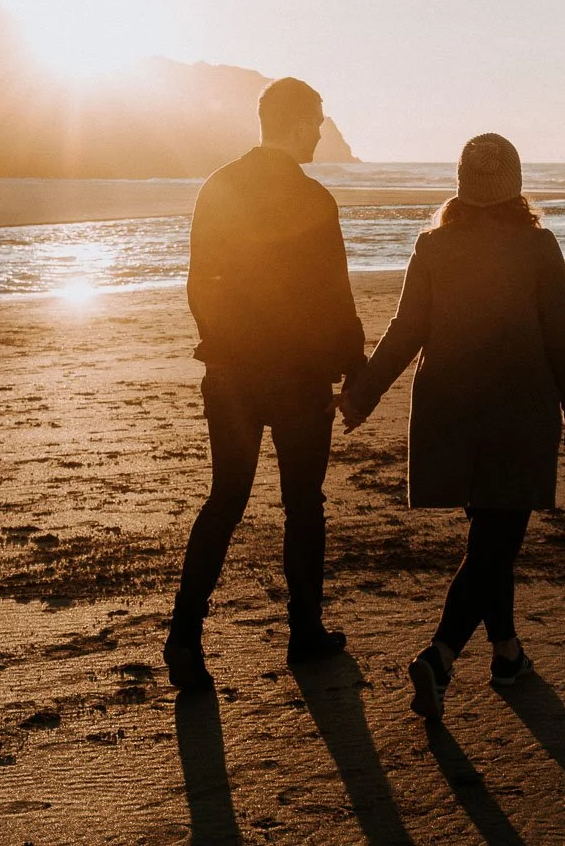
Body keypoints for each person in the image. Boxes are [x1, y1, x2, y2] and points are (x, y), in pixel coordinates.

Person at [339, 132, 565, 721]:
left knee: (490, 539)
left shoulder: (433, 245)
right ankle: (442, 655)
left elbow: (406, 331)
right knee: (497, 542)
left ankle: (507, 655)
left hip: (449, 410)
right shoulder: (538, 246)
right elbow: (561, 335)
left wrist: (362, 397)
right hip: (518, 409)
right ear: (515, 186)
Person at [164, 78, 367, 692]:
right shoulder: (314, 200)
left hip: (231, 373)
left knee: (226, 497)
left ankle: (184, 635)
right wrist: (354, 366)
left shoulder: (220, 186)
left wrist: (226, 345)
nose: (321, 131)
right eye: (317, 121)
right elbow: (335, 294)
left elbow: (201, 282)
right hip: (300, 377)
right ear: (296, 121)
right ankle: (304, 632)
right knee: (303, 503)